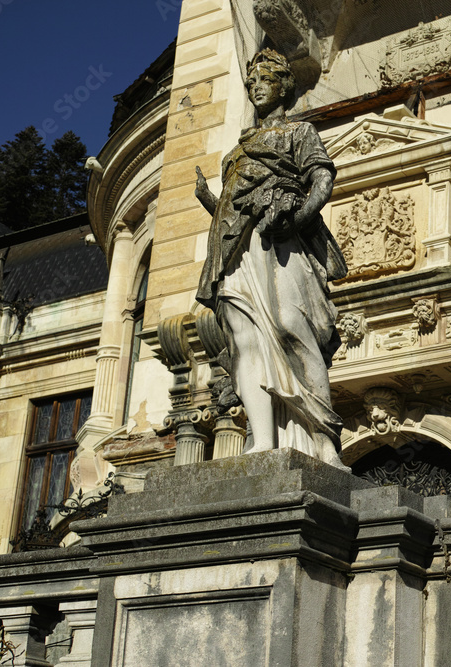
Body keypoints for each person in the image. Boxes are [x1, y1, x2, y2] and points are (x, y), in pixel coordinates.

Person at [193, 49, 348, 469]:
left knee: (290, 326)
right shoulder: (237, 150)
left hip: (281, 242)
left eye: (264, 78)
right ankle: (261, 440)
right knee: (245, 341)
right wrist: (213, 202)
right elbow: (232, 213)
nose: (255, 86)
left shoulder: (298, 132)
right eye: (251, 81)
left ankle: (324, 440)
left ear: (283, 85)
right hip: (236, 252)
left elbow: (322, 179)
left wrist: (297, 216)